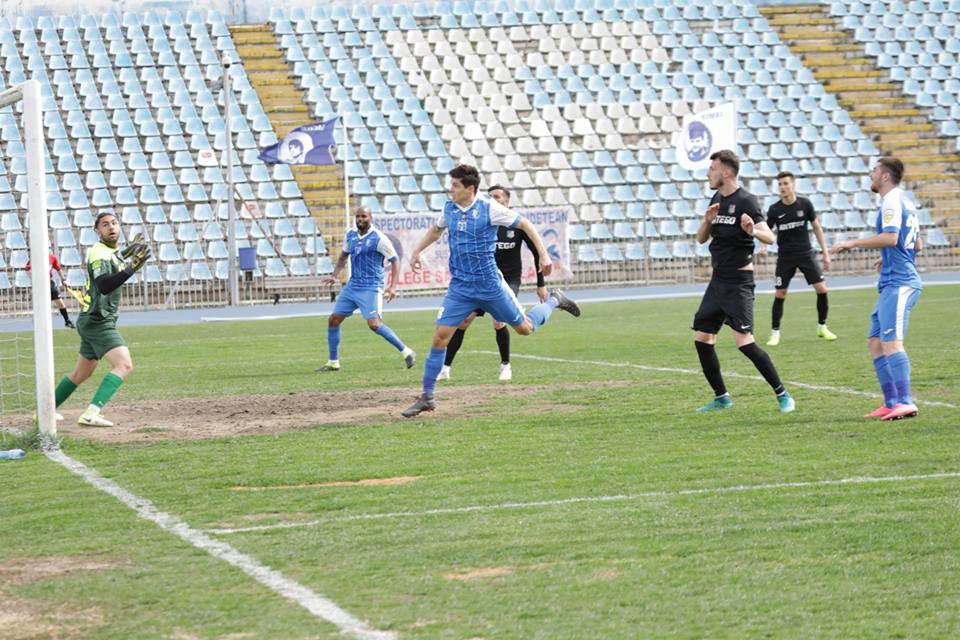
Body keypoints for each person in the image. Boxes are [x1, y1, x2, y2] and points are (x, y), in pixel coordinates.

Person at [401, 164, 581, 417]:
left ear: (470, 189)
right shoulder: (449, 208)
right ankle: (427, 397)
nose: (450, 190)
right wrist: (417, 250)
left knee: (525, 329)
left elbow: (525, 224)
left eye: (455, 186)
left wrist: (543, 254)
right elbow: (437, 229)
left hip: (490, 286)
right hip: (461, 287)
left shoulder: (489, 208)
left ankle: (554, 300)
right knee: (440, 337)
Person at [693, 150, 795, 414]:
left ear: (726, 172)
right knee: (702, 339)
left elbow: (770, 237)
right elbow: (701, 239)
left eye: (712, 169)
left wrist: (753, 231)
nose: (708, 173)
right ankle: (722, 398)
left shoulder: (746, 201)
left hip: (739, 282)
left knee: (744, 342)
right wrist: (706, 222)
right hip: (718, 281)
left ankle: (782, 394)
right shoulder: (716, 198)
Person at [833, 157, 921, 421]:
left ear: (884, 176)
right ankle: (891, 402)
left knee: (891, 343)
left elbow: (892, 238)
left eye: (874, 170)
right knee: (875, 342)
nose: (870, 174)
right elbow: (915, 244)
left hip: (901, 283)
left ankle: (905, 401)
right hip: (892, 282)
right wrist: (888, 258)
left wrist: (852, 243)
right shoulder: (905, 200)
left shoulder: (891, 201)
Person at [436, 185, 549, 382]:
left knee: (499, 321)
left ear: (507, 201)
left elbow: (536, 252)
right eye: (490, 196)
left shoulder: (516, 224)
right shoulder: (483, 220)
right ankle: (445, 368)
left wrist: (541, 284)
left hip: (508, 279)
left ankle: (505, 366)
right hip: (482, 280)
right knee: (463, 321)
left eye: (497, 196)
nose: (493, 199)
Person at [53, 211, 151, 427]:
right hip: (98, 321)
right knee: (124, 365)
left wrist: (129, 252)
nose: (111, 227)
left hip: (92, 319)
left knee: (80, 374)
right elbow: (104, 285)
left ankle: (44, 411)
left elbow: (114, 258)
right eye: (105, 224)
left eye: (114, 223)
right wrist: (132, 267)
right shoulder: (98, 253)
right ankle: (91, 413)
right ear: (97, 231)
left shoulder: (109, 251)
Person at [316, 205, 416, 372]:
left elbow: (395, 260)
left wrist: (392, 287)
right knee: (333, 320)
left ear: (370, 218)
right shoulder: (350, 235)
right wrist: (334, 275)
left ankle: (406, 351)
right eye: (358, 216)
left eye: (364, 216)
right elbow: (343, 256)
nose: (360, 219)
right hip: (353, 286)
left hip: (371, 287)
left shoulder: (379, 238)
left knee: (374, 324)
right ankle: (333, 362)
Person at [764, 171, 837, 345]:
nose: (782, 187)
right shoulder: (774, 209)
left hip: (805, 254)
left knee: (822, 289)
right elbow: (766, 231)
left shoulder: (805, 204)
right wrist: (762, 247)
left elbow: (817, 228)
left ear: (793, 185)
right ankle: (775, 333)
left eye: (785, 183)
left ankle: (822, 327)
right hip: (785, 257)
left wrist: (825, 253)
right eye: (780, 184)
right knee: (780, 293)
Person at [26, 250, 75, 328]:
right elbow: (27, 269)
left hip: (49, 282)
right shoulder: (35, 257)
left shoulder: (52, 257)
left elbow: (58, 269)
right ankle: (38, 321)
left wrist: (63, 280)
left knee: (60, 302)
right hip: (40, 284)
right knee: (41, 305)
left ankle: (67, 321)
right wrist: (35, 278)